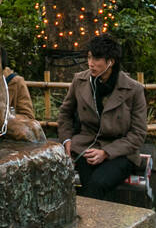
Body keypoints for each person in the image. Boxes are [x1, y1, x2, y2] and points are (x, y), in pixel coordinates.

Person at [58, 34, 147, 200]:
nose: (91, 63)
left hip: (120, 152)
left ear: (111, 61)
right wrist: (66, 140)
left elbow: (138, 134)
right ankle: (98, 224)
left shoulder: (133, 89)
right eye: (89, 57)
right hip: (85, 147)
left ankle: (87, 224)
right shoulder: (80, 80)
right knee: (90, 182)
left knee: (97, 184)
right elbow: (65, 113)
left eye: (97, 58)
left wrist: (106, 152)